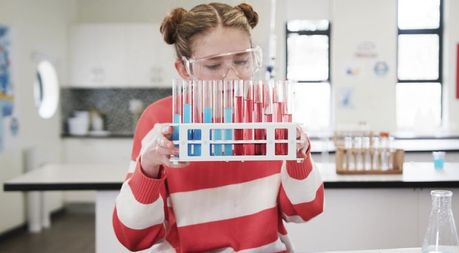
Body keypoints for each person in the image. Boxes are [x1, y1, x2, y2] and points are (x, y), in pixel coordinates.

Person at [112, 2, 324, 252]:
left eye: (242, 61)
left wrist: (299, 155)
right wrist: (148, 167)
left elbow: (304, 211)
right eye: (214, 65)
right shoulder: (160, 121)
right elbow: (133, 238)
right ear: (183, 69)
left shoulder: (269, 111)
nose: (232, 76)